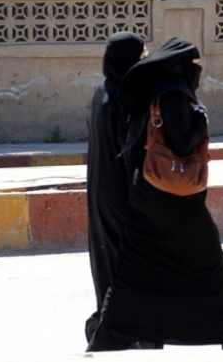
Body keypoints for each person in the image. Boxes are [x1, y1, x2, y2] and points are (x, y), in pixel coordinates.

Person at [87, 37, 223, 351]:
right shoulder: (146, 96)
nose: (198, 69)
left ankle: (111, 334)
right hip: (131, 196)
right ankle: (124, 335)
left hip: (109, 194)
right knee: (139, 269)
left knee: (124, 270)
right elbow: (156, 145)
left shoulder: (109, 93)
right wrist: (200, 120)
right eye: (141, 54)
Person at [85, 31, 147, 342]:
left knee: (107, 261)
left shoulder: (102, 92)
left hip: (99, 191)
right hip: (121, 193)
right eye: (141, 55)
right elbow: (129, 149)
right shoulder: (124, 96)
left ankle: (108, 326)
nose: (145, 59)